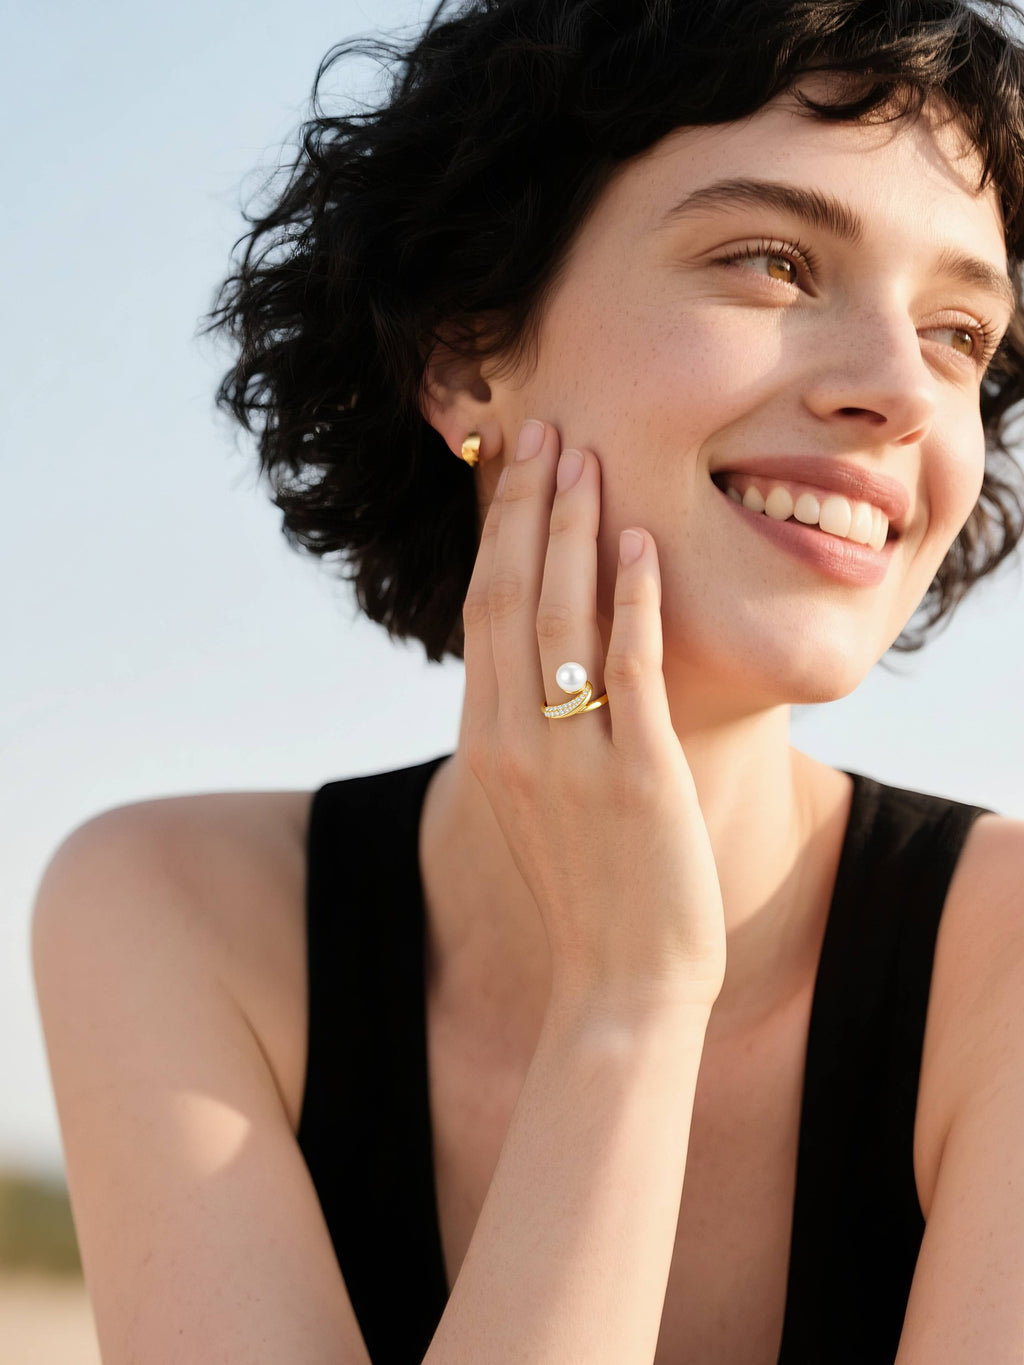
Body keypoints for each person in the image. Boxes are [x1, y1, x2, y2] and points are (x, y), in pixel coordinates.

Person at [31, 1, 1024, 1362]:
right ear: (465, 354)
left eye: (962, 333)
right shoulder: (175, 913)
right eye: (773, 259)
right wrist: (629, 1002)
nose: (903, 391)